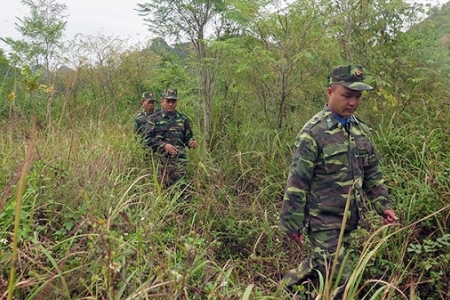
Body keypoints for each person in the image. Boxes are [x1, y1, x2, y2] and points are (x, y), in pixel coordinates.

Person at [279, 65, 398, 299]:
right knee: (343, 279)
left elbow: (372, 172)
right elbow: (297, 182)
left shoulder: (360, 129)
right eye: (347, 95)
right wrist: (291, 223)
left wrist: (383, 205)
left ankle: (289, 286)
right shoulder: (313, 133)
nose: (353, 102)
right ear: (330, 92)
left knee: (323, 263)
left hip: (350, 218)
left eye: (358, 97)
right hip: (323, 220)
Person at [144, 88, 198, 189]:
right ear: (162, 101)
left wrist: (191, 142)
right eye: (168, 101)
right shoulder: (153, 119)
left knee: (181, 188)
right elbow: (147, 139)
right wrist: (164, 145)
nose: (170, 104)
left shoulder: (182, 118)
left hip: (180, 161)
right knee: (163, 190)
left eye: (173, 101)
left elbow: (188, 137)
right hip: (162, 161)